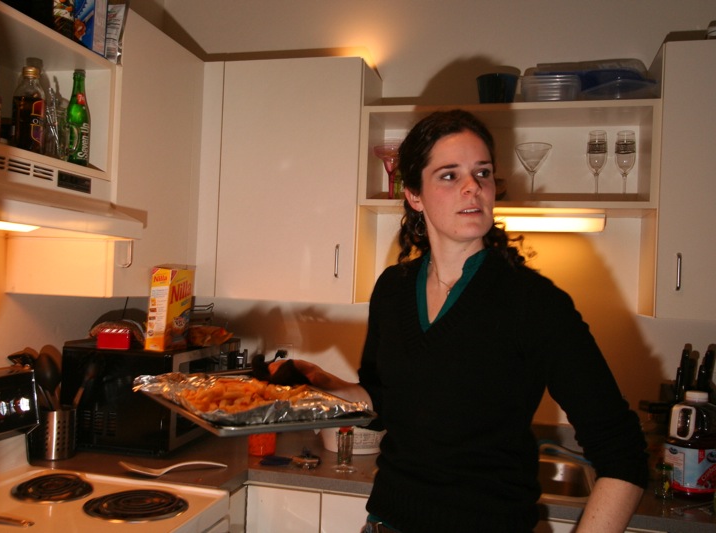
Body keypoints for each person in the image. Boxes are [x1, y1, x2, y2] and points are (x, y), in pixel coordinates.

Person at [271, 109, 648, 532]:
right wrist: (320, 382)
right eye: (449, 175)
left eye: (482, 172)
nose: (473, 187)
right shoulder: (393, 289)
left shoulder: (533, 303)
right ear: (414, 194)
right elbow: (384, 401)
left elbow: (623, 454)